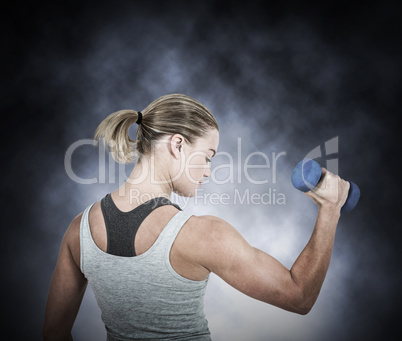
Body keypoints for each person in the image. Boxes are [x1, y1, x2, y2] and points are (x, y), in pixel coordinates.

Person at [42, 93, 350, 341]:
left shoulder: (79, 229)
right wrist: (330, 210)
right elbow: (298, 296)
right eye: (207, 156)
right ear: (177, 144)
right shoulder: (202, 235)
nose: (207, 172)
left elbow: (53, 334)